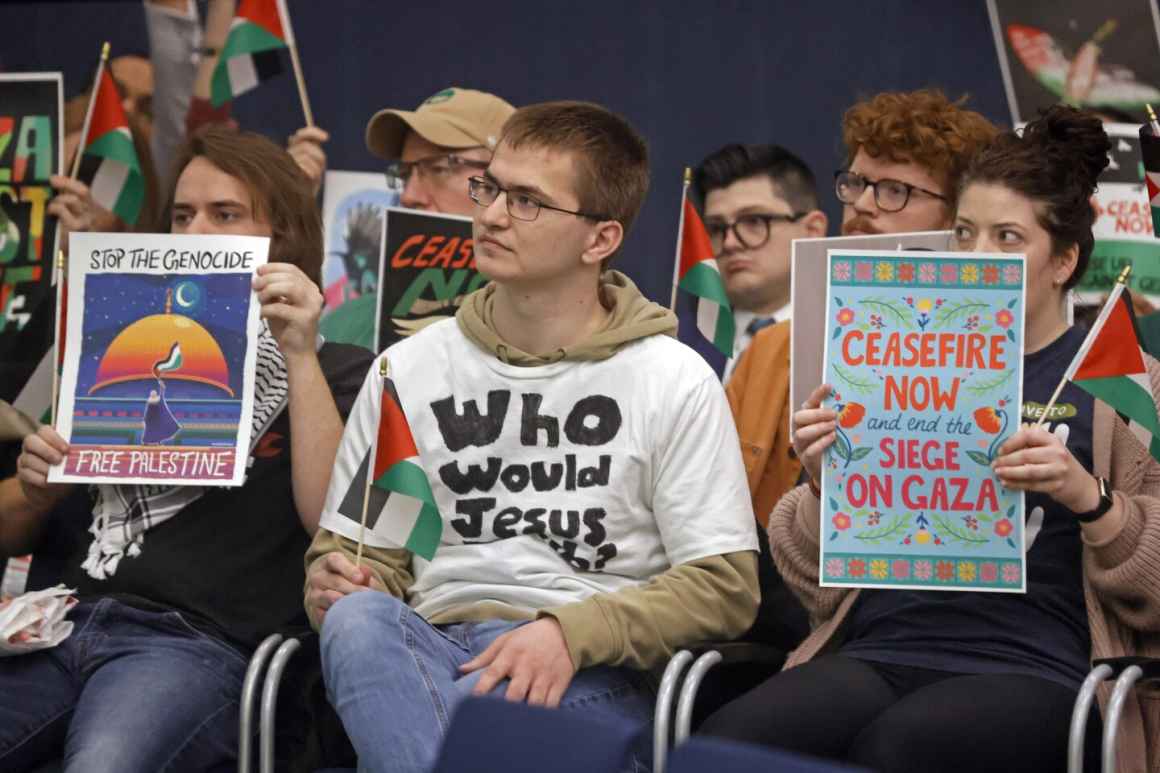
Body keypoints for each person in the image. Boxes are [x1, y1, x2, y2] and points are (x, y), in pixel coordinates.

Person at [701, 106, 1160, 773]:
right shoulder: (886, 356)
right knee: (722, 744)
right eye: (967, 233)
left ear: (1062, 261)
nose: (978, 257)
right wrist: (825, 478)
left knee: (897, 748)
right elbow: (808, 578)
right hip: (880, 647)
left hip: (1035, 664)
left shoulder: (1123, 381)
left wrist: (1089, 497)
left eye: (1008, 238)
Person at [306, 100, 760, 773]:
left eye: (527, 201)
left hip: (585, 669)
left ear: (600, 239)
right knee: (354, 623)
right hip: (426, 650)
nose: (488, 214)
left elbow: (724, 584)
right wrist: (336, 578)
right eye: (490, 187)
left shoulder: (672, 378)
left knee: (473, 734)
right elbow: (366, 548)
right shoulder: (411, 366)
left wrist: (567, 634)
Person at [0, 125, 374, 773]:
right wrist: (35, 490)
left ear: (280, 239)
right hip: (55, 622)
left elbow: (330, 521)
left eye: (224, 215)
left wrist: (299, 353)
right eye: (181, 214)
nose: (194, 232)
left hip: (190, 645)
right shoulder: (109, 348)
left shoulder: (339, 368)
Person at [730, 90, 998, 527]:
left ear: (958, 218)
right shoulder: (768, 350)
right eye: (855, 184)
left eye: (895, 191)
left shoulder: (998, 353)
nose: (862, 204)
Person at [319, 87, 516, 350]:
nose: (409, 195)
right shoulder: (347, 323)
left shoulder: (555, 324)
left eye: (440, 167)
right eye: (404, 174)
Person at [693, 143, 827, 380]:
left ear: (812, 230)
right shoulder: (678, 346)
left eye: (754, 221)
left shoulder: (845, 340)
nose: (730, 242)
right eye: (716, 228)